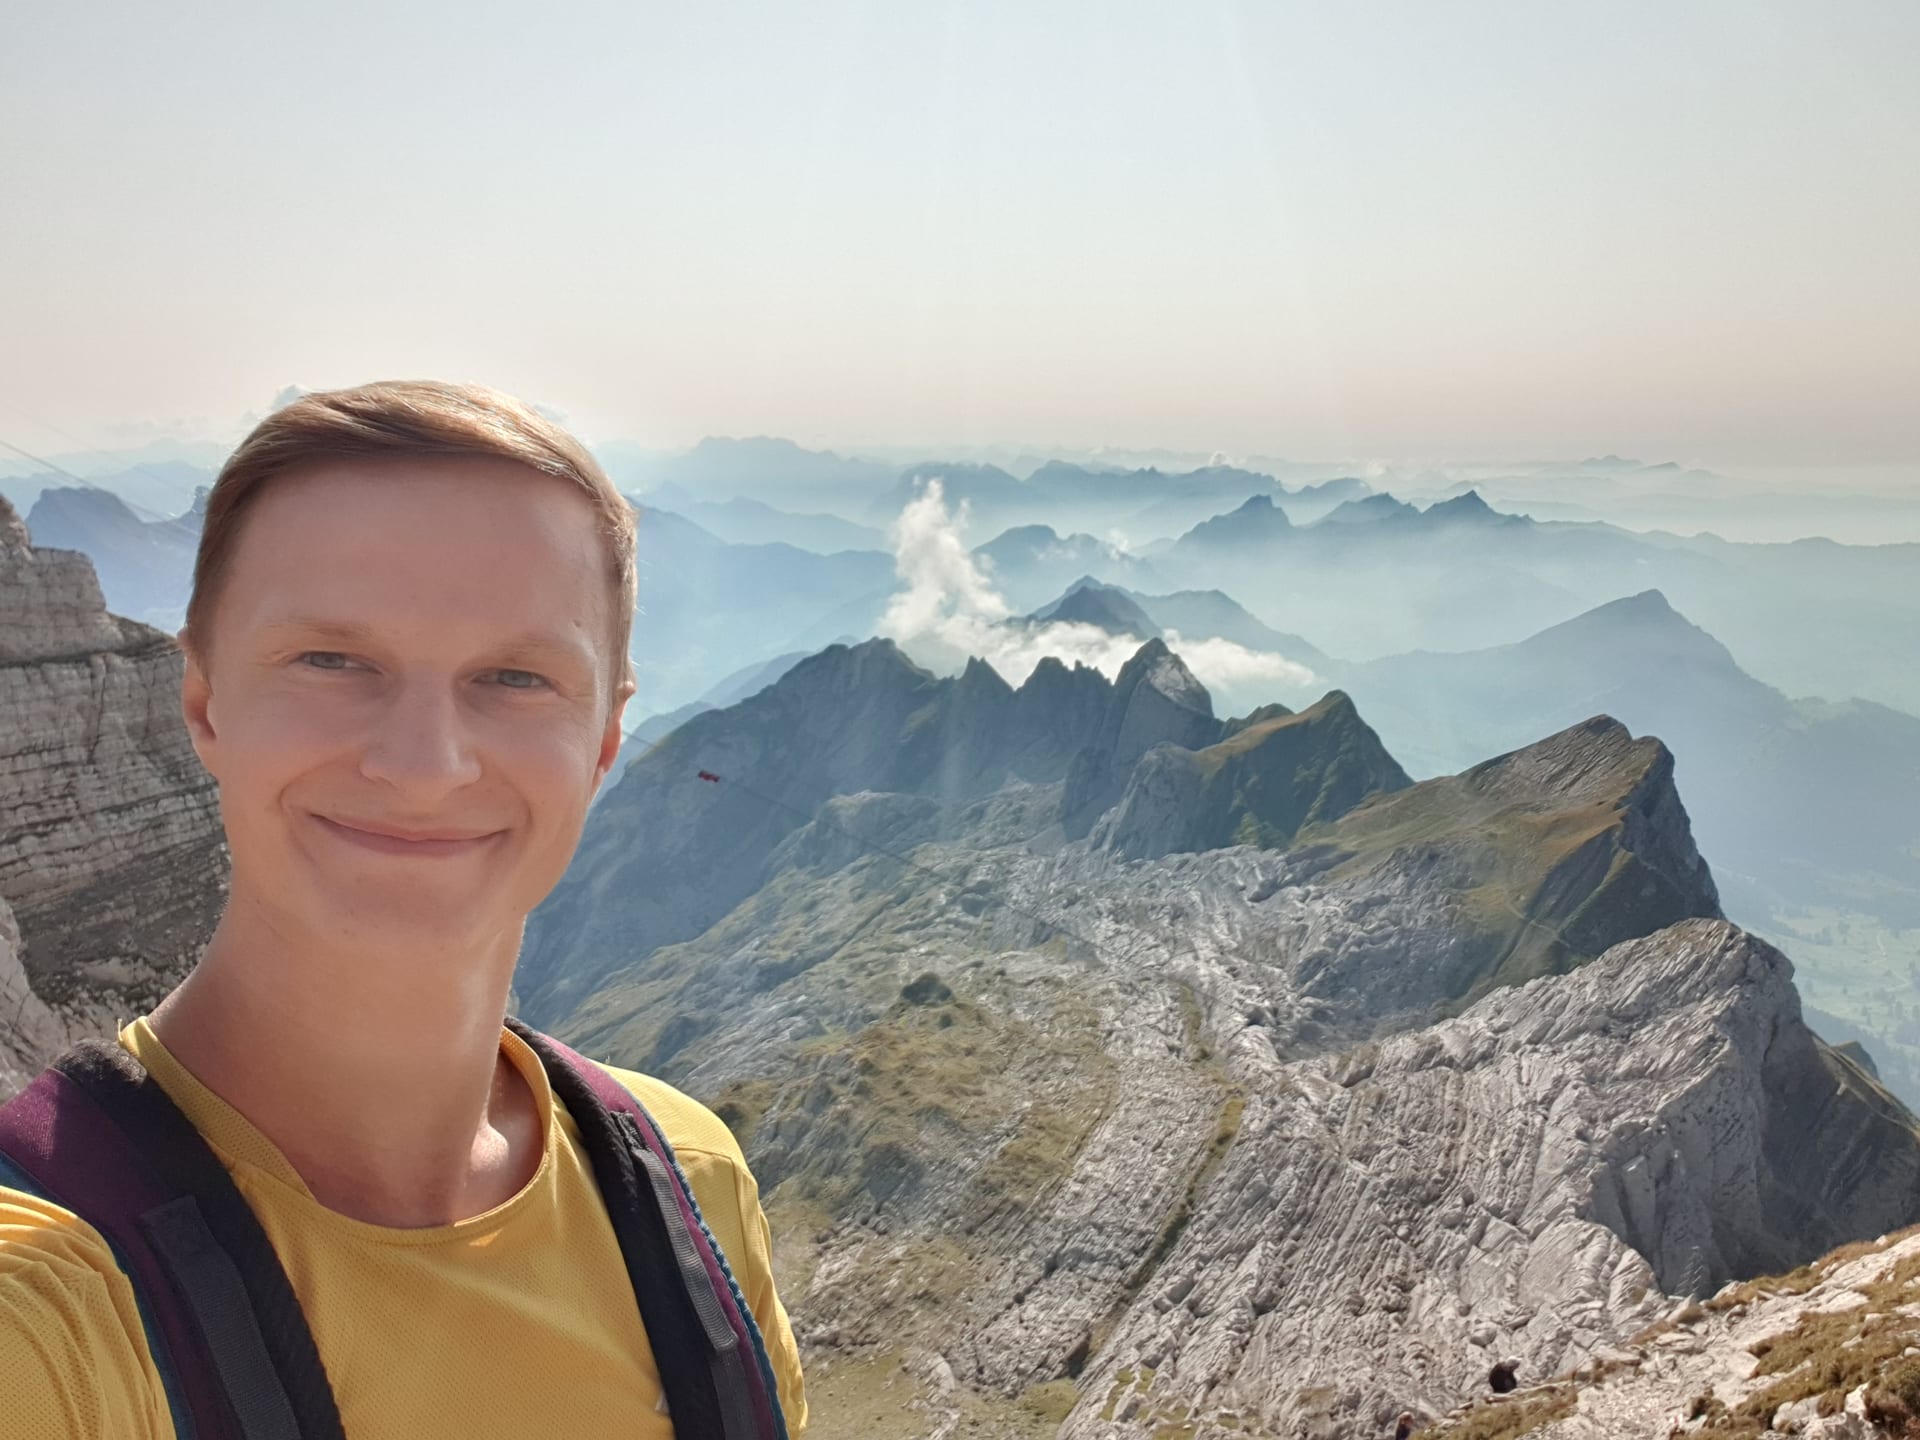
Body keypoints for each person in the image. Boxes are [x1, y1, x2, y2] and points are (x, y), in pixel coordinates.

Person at [0, 381, 809, 1438]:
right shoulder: (42, 1308)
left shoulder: (693, 1189)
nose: (424, 764)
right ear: (201, 700)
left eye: (516, 678)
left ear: (604, 740)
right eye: (332, 660)